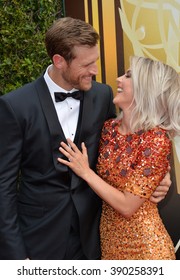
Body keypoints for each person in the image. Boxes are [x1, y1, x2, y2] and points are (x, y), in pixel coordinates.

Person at [0, 18, 170, 260]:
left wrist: (161, 175)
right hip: (38, 239)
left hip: (93, 238)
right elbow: (3, 187)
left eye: (96, 61)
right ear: (59, 61)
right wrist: (15, 257)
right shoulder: (15, 106)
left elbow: (131, 142)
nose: (96, 71)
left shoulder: (102, 95)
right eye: (87, 64)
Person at [58, 56, 180, 260]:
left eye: (129, 76)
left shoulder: (156, 139)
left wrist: (86, 172)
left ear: (145, 89)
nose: (118, 79)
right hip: (109, 246)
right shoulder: (108, 129)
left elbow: (126, 206)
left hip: (146, 250)